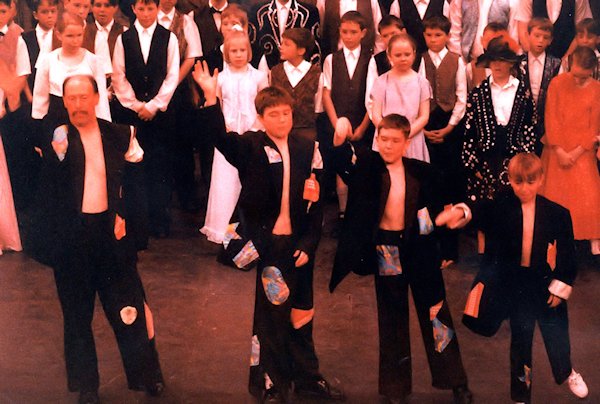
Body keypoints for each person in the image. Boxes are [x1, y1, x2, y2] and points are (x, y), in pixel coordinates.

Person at [193, 61, 345, 403]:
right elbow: (220, 139)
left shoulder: (308, 148)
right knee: (271, 317)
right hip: (270, 246)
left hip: (299, 246)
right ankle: (270, 383)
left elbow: (316, 203)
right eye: (273, 115)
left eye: (286, 114)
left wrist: (309, 244)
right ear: (261, 118)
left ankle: (307, 379)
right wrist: (210, 98)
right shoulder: (250, 146)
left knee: (302, 311)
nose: (281, 120)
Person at [329, 113, 473, 404]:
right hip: (387, 250)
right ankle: (395, 388)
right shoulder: (367, 168)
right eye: (383, 139)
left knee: (436, 313)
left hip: (420, 249)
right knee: (392, 318)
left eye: (395, 141)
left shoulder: (423, 171)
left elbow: (446, 205)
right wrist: (339, 137)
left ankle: (455, 381)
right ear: (377, 139)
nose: (388, 146)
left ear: (407, 143)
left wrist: (450, 244)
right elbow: (341, 162)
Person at [38, 74, 163, 404]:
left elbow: (136, 189)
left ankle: (148, 375)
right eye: (72, 98)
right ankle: (87, 386)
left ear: (96, 98)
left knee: (130, 310)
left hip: (112, 239)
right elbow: (48, 194)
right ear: (64, 102)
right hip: (73, 243)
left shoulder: (119, 135)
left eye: (84, 97)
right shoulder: (58, 138)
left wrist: (131, 231)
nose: (78, 104)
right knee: (77, 317)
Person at [485, 153, 589, 403]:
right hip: (517, 284)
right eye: (518, 182)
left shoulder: (557, 214)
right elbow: (490, 239)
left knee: (557, 334)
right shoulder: (503, 209)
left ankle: (567, 371)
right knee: (521, 342)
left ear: (541, 180)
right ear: (510, 180)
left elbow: (568, 256)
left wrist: (559, 287)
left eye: (531, 182)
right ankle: (521, 395)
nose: (524, 188)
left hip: (545, 281)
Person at [462, 36, 537, 255]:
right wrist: (473, 164)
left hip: (513, 159)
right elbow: (470, 131)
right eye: (493, 60)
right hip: (486, 160)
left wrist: (525, 160)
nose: (497, 65)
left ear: (511, 63)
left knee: (513, 206)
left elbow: (529, 128)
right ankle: (485, 255)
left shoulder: (523, 93)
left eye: (503, 60)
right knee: (485, 207)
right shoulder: (478, 93)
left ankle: (513, 253)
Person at [111, 0, 179, 238]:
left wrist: (154, 105)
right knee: (136, 168)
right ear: (133, 9)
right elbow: (118, 75)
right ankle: (139, 223)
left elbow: (172, 75)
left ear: (157, 9)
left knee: (160, 167)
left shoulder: (169, 38)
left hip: (161, 115)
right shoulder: (124, 39)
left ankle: (160, 222)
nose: (146, 14)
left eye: (151, 9)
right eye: (141, 9)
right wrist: (137, 105)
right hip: (134, 114)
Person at [201, 29, 268, 244]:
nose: (238, 55)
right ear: (226, 53)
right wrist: (225, 128)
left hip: (253, 132)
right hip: (228, 133)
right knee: (226, 180)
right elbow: (217, 105)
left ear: (249, 52)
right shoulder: (220, 78)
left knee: (250, 180)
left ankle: (249, 230)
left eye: (242, 50)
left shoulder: (259, 76)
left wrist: (254, 129)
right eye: (234, 51)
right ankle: (222, 229)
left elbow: (264, 105)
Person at [540, 46, 600, 257]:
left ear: (592, 70)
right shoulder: (557, 84)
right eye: (574, 75)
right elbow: (551, 118)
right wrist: (559, 150)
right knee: (555, 195)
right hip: (556, 148)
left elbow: (594, 127)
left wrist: (576, 153)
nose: (577, 80)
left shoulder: (597, 89)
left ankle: (593, 238)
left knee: (589, 193)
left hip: (582, 150)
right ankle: (555, 241)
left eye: (583, 77)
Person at [322, 10, 377, 234]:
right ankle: (343, 212)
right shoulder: (331, 59)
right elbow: (326, 94)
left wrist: (363, 127)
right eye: (344, 31)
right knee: (340, 167)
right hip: (338, 124)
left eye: (353, 32)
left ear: (363, 33)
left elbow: (373, 97)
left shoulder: (370, 60)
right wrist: (337, 124)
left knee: (360, 167)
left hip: (361, 122)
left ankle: (357, 215)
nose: (348, 36)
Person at [418, 15, 467, 268]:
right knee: (427, 189)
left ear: (447, 36)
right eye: (429, 35)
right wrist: (424, 128)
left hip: (449, 130)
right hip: (425, 127)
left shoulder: (457, 61)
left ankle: (449, 250)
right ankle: (427, 247)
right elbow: (417, 95)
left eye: (438, 35)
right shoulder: (420, 60)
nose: (433, 39)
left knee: (449, 189)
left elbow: (461, 97)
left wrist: (449, 128)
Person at [157, 0, 203, 213]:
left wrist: (172, 83)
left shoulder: (186, 21)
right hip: (153, 89)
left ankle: (187, 198)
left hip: (180, 90)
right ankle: (161, 202)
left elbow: (191, 57)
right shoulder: (148, 18)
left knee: (183, 146)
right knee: (159, 147)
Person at [32, 12, 111, 129]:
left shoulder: (94, 61)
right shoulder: (48, 60)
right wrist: (38, 125)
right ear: (59, 35)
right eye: (70, 36)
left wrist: (105, 125)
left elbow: (101, 98)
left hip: (86, 117)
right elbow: (40, 97)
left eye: (79, 35)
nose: (75, 41)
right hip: (57, 118)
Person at [371, 33, 431, 162]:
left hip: (411, 137)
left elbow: (424, 116)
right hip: (386, 140)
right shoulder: (381, 81)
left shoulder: (422, 83)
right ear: (389, 55)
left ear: (414, 54)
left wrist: (405, 135)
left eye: (407, 54)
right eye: (398, 55)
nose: (403, 58)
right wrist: (390, 135)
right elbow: (376, 114)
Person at [517, 17, 562, 153]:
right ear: (528, 35)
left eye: (545, 37)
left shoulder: (556, 64)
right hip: (522, 124)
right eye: (536, 36)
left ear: (550, 40)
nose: (540, 40)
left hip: (546, 124)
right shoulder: (518, 63)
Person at [270, 27, 323, 142]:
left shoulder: (316, 74)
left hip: (306, 131)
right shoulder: (275, 72)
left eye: (287, 44)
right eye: (282, 43)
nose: (281, 47)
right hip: (280, 130)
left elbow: (318, 107)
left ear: (301, 51)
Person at [248, 0, 321, 70]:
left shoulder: (309, 12)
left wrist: (310, 74)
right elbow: (252, 44)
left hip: (298, 71)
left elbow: (314, 46)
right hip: (264, 69)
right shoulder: (258, 11)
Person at [448, 0, 519, 64]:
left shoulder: (511, 2)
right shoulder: (459, 1)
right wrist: (461, 63)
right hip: (466, 63)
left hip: (500, 64)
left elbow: (513, 36)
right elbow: (454, 35)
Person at [515, 0, 592, 59]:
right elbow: (523, 32)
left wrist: (566, 60)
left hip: (567, 60)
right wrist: (534, 60)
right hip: (534, 60)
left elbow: (581, 31)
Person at [318, 0, 384, 56]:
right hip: (334, 57)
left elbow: (379, 34)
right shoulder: (324, 1)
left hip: (365, 59)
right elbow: (320, 30)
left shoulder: (371, 1)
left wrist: (376, 58)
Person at [395, 0, 449, 67]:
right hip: (408, 60)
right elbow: (394, 31)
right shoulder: (398, 3)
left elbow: (448, 29)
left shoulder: (442, 2)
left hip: (437, 59)